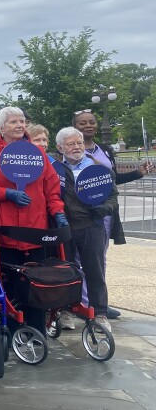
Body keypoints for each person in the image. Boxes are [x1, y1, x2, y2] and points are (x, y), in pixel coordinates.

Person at [0, 107, 66, 336]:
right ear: (1, 128)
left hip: (35, 232)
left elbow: (51, 190)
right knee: (10, 285)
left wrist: (58, 213)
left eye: (22, 121)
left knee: (35, 285)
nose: (19, 125)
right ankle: (14, 330)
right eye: (13, 121)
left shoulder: (37, 154)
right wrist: (6, 194)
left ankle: (37, 330)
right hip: (6, 234)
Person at [73, 109, 154, 319]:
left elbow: (112, 180)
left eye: (91, 122)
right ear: (75, 126)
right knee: (79, 261)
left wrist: (138, 173)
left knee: (99, 259)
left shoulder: (106, 150)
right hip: (81, 215)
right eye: (83, 123)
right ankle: (82, 303)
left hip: (106, 213)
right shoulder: (71, 152)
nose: (88, 125)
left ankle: (99, 302)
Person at [54, 127, 119, 333]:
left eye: (79, 143)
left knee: (95, 272)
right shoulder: (55, 169)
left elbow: (113, 197)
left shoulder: (98, 167)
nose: (76, 147)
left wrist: (104, 209)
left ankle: (99, 314)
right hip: (64, 228)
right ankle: (65, 311)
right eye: (71, 144)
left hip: (91, 226)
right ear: (60, 147)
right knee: (65, 272)